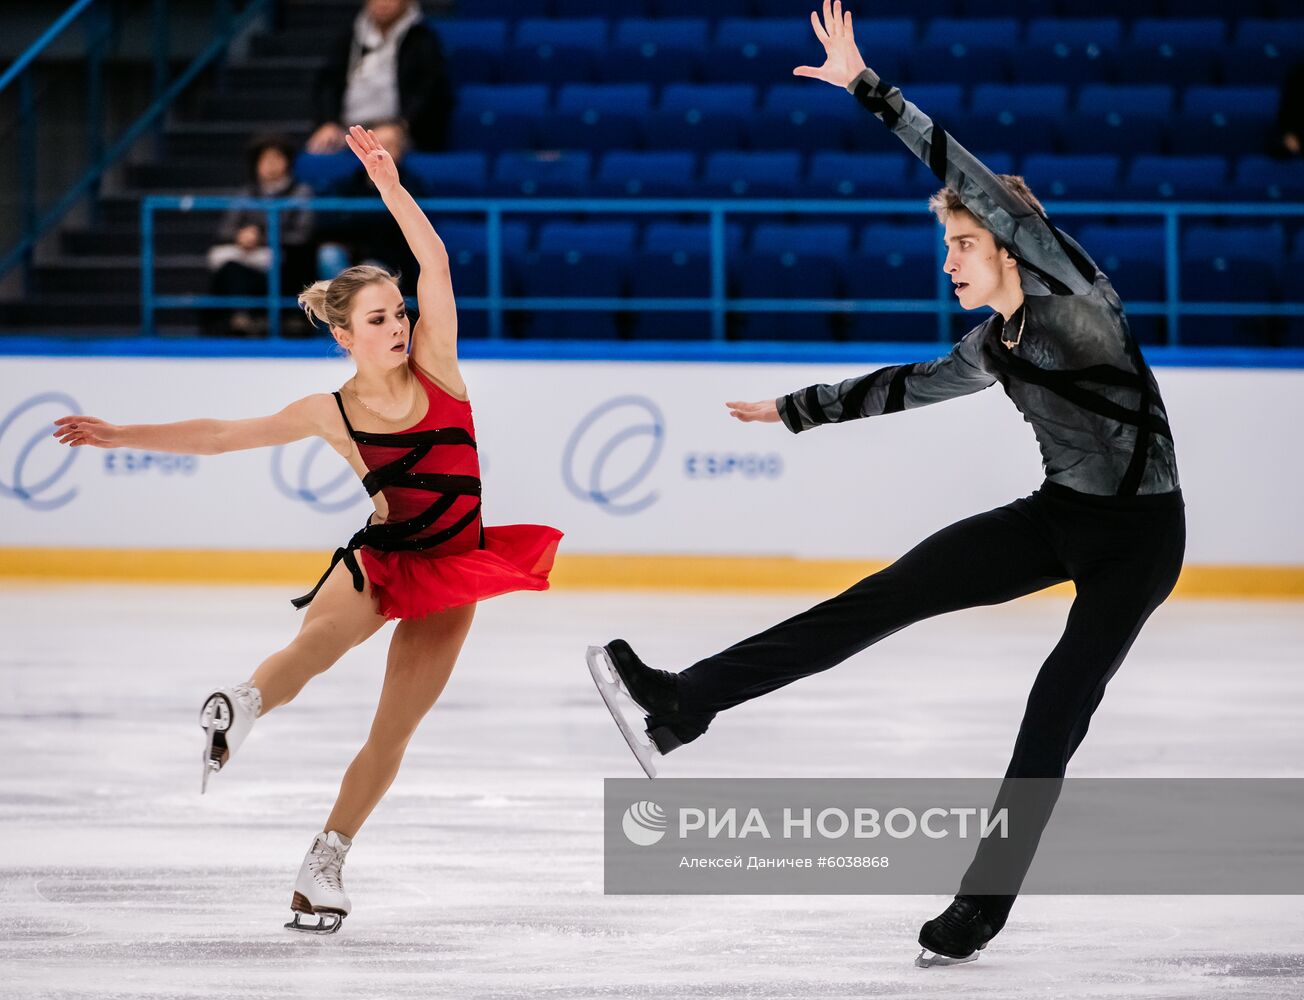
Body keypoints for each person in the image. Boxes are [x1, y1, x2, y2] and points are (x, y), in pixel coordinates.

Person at [587, 1, 1184, 968]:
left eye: (963, 244)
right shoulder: (995, 342)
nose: (947, 259)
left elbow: (972, 181)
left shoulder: (1080, 301)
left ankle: (980, 908)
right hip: (1062, 517)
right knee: (883, 597)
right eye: (946, 244)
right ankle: (682, 704)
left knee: (1054, 709)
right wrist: (798, 409)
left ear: (1008, 244)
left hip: (1141, 540)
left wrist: (870, 89)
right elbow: (915, 385)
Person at [54, 126, 562, 934]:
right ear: (344, 336)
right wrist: (123, 434)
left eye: (398, 313)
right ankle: (244, 704)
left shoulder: (438, 362)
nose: (398, 326)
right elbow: (222, 435)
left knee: (392, 731)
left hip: (452, 571)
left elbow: (435, 264)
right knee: (311, 651)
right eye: (378, 319)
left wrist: (390, 187)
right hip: (380, 560)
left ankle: (325, 861)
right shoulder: (330, 412)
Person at [308, 0, 453, 154]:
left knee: (381, 148)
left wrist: (401, 126)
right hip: (348, 127)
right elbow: (328, 82)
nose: (382, 4)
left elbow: (429, 91)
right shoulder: (350, 36)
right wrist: (328, 122)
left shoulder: (422, 39)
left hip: (399, 129)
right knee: (317, 152)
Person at [205, 134, 313, 337]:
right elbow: (225, 229)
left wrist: (263, 238)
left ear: (287, 162)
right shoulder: (246, 193)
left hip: (285, 257)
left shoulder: (300, 192)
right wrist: (241, 236)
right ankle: (239, 318)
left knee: (297, 260)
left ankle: (287, 318)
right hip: (250, 255)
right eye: (265, 160)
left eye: (276, 159)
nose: (270, 165)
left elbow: (302, 233)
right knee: (229, 265)